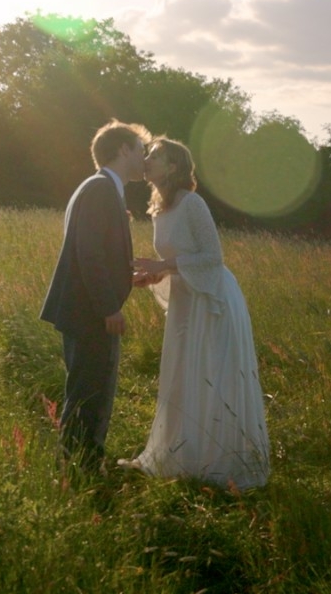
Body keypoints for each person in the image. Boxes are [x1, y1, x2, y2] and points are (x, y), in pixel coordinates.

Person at [118, 137, 270, 490]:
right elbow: (180, 258)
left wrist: (163, 264)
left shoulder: (192, 203)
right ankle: (176, 456)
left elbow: (212, 258)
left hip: (212, 300)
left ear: (173, 167)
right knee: (181, 374)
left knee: (209, 374)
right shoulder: (160, 207)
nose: (148, 160)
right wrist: (155, 274)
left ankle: (215, 463)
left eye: (155, 156)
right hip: (187, 300)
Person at [40, 119, 151, 474]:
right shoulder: (101, 188)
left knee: (90, 387)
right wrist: (108, 306)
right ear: (123, 150)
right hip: (88, 310)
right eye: (140, 150)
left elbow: (97, 250)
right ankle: (82, 467)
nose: (145, 157)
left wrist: (127, 276)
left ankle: (81, 461)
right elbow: (88, 253)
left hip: (85, 307)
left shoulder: (101, 188)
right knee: (91, 391)